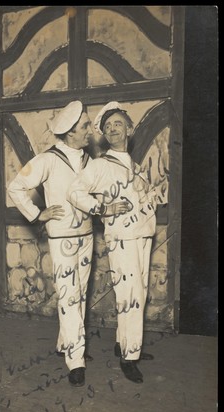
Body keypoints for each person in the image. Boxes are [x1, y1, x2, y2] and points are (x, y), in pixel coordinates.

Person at [67, 101, 157, 384]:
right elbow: (75, 192)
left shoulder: (136, 164)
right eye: (107, 126)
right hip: (122, 239)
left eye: (118, 123)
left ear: (129, 129)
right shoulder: (100, 165)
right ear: (104, 135)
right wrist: (103, 209)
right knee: (130, 296)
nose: (112, 128)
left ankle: (125, 343)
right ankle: (129, 358)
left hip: (143, 235)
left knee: (138, 293)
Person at [8, 101, 94, 387]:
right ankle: (76, 360)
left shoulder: (88, 161)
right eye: (85, 127)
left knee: (78, 295)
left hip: (87, 237)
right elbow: (15, 187)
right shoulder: (48, 159)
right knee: (70, 296)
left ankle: (69, 344)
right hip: (62, 240)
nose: (90, 131)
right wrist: (37, 214)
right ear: (70, 132)